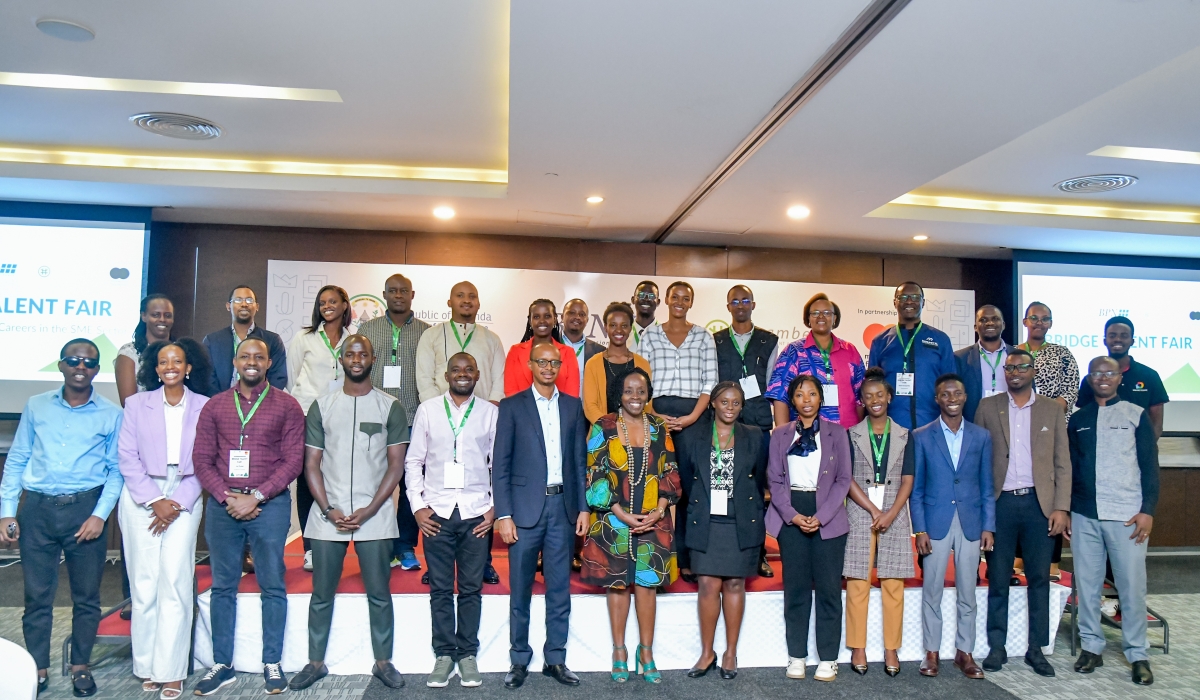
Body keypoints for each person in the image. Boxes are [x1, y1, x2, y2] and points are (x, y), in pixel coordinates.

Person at [0, 339, 123, 698]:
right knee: (37, 596)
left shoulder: (112, 414)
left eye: (88, 362)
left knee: (87, 597)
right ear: (61, 365)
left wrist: (100, 515)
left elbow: (116, 472)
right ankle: (37, 667)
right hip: (36, 511)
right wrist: (7, 512)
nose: (80, 366)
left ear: (97, 370)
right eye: (73, 360)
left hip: (86, 511)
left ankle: (80, 666)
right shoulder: (36, 406)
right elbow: (18, 459)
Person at [288, 335, 408, 691]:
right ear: (341, 360)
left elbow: (396, 466)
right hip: (329, 514)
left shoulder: (391, 407)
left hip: (376, 514)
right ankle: (315, 662)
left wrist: (371, 508)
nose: (356, 359)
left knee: (379, 593)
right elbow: (311, 464)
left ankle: (383, 662)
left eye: (363, 353)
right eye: (350, 354)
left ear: (373, 358)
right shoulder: (321, 406)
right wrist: (328, 508)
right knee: (321, 593)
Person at [191, 337, 305, 696]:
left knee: (272, 584)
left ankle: (272, 661)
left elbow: (293, 461)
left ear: (269, 363)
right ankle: (221, 664)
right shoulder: (215, 406)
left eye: (259, 357)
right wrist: (228, 497)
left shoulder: (288, 406)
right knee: (223, 586)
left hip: (268, 506)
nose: (252, 362)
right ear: (236, 362)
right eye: (245, 356)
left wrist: (255, 496)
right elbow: (202, 459)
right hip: (224, 507)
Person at [117, 339, 212, 699]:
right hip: (141, 494)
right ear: (154, 369)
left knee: (174, 579)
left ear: (188, 368)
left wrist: (175, 502)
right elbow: (127, 457)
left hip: (186, 492)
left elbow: (206, 459)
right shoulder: (136, 404)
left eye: (177, 361)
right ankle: (146, 665)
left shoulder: (205, 407)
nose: (170, 366)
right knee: (144, 583)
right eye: (162, 361)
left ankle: (171, 670)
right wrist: (155, 500)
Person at [493, 343, 590, 689]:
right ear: (531, 365)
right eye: (542, 362)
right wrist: (503, 513)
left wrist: (583, 507)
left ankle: (556, 658)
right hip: (522, 512)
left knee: (559, 589)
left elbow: (580, 461)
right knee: (520, 589)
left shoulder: (573, 407)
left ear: (560, 366)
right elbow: (500, 465)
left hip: (562, 509)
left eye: (554, 362)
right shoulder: (511, 406)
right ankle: (519, 659)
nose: (548, 367)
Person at [974, 349, 1070, 677]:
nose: (1015, 372)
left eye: (1022, 367)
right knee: (998, 577)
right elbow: (977, 460)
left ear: (1033, 371)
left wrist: (1061, 507)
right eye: (1010, 368)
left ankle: (1036, 649)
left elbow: (1062, 461)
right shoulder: (988, 407)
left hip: (1038, 506)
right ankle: (996, 647)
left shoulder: (1051, 410)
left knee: (1039, 578)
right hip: (1000, 504)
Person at [581, 367, 681, 684]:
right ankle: (620, 651)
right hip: (613, 520)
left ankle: (646, 652)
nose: (635, 396)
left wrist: (660, 509)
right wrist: (621, 514)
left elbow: (670, 471)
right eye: (628, 391)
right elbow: (595, 474)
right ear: (618, 395)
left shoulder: (659, 427)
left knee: (647, 586)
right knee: (618, 585)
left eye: (640, 391)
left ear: (648, 394)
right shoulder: (604, 426)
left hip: (654, 518)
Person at [406, 352, 499, 688]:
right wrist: (418, 507)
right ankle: (444, 654)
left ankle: (468, 654)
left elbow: (497, 465)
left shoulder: (490, 413)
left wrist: (493, 508)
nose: (462, 374)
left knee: (472, 588)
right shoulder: (428, 410)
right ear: (446, 375)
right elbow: (413, 461)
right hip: (437, 514)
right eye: (456, 370)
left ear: (477, 375)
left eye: (468, 369)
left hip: (476, 513)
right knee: (442, 589)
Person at [1069, 356, 1158, 686]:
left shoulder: (1136, 415)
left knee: (1132, 588)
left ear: (1120, 377)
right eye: (1096, 373)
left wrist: (1148, 509)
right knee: (1088, 587)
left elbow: (1149, 466)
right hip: (1084, 514)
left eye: (1109, 373)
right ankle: (1092, 646)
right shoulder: (1078, 419)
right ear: (1089, 379)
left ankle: (1138, 653)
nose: (1102, 378)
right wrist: (1067, 510)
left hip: (1127, 517)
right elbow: (1071, 468)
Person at [676, 381, 766, 680]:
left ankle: (729, 651)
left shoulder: (754, 436)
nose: (730, 407)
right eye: (724, 401)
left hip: (740, 521)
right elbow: (688, 482)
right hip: (706, 520)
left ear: (742, 407)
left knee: (735, 585)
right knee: (707, 585)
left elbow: (758, 478)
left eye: (736, 403)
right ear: (713, 403)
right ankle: (707, 652)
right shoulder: (693, 436)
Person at [766, 375, 851, 683]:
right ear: (792, 399)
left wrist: (822, 515)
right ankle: (797, 656)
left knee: (829, 590)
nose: (806, 399)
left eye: (812, 394)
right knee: (796, 590)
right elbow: (774, 481)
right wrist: (792, 514)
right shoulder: (780, 435)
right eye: (800, 394)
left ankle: (828, 658)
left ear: (820, 398)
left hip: (828, 515)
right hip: (792, 513)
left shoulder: (837, 433)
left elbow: (844, 480)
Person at [911, 373, 995, 680]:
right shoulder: (921, 436)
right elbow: (917, 489)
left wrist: (989, 526)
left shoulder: (981, 436)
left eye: (957, 393)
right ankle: (931, 652)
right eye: (945, 395)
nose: (952, 399)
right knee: (931, 590)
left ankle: (965, 652)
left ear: (965, 396)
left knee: (967, 591)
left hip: (971, 521)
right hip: (935, 523)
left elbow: (987, 485)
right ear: (937, 399)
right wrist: (919, 529)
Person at [639, 281, 718, 582]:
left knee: (689, 489)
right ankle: (653, 553)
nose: (680, 302)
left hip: (694, 418)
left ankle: (686, 557)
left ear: (691, 302)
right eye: (675, 297)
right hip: (655, 413)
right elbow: (642, 380)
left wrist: (690, 418)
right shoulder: (650, 335)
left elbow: (709, 383)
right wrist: (655, 415)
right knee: (656, 485)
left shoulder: (703, 336)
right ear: (666, 300)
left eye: (686, 298)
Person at [843, 367, 914, 677]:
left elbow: (908, 481)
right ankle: (858, 646)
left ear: (889, 397)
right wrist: (873, 510)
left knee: (893, 583)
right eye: (868, 396)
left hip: (895, 513)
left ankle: (891, 648)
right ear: (861, 400)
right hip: (861, 511)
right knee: (858, 581)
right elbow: (846, 478)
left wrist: (889, 512)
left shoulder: (905, 435)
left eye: (880, 395)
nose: (875, 400)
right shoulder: (850, 435)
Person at [358, 273, 430, 574]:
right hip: (373, 421)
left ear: (412, 294)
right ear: (384, 295)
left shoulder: (427, 333)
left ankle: (404, 547)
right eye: (392, 291)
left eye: (404, 291)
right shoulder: (367, 329)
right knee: (374, 485)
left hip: (413, 419)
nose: (398, 295)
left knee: (409, 486)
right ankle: (379, 545)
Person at [286, 285, 357, 571]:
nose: (327, 306)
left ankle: (331, 540)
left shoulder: (353, 339)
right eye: (322, 302)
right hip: (307, 415)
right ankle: (310, 547)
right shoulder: (304, 338)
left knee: (334, 479)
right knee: (307, 481)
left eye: (333, 301)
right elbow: (292, 378)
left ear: (344, 305)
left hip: (340, 416)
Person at [1018, 301, 1079, 580]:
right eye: (1034, 317)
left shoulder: (1063, 354)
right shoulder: (1013, 353)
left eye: (1045, 319)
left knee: (1049, 496)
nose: (1039, 322)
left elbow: (1070, 391)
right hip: (1017, 434)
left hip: (1052, 434)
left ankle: (1051, 565)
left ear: (1051, 324)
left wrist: (1045, 417)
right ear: (1025, 321)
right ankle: (1017, 561)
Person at [768, 293, 865, 429]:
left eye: (826, 312)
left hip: (848, 433)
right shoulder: (794, 351)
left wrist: (860, 433)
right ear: (808, 318)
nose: (821, 316)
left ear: (834, 318)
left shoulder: (850, 350)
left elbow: (861, 396)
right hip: (807, 436)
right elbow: (779, 395)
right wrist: (783, 437)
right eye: (815, 313)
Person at [868, 282, 957, 430]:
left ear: (923, 302)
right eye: (903, 297)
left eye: (915, 297)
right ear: (895, 302)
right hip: (892, 426)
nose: (909, 301)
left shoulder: (940, 339)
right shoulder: (880, 341)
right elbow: (872, 387)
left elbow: (950, 384)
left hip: (932, 424)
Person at [415, 281, 506, 405]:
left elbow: (499, 381)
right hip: (440, 412)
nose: (467, 300)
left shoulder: (493, 339)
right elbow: (424, 378)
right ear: (449, 302)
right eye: (460, 295)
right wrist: (437, 408)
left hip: (482, 413)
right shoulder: (431, 335)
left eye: (472, 296)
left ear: (478, 304)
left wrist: (489, 410)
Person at [1076, 316, 1168, 438]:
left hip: (1137, 451)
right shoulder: (1093, 378)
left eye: (1124, 336)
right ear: (1105, 340)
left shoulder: (1149, 375)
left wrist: (1147, 449)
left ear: (1132, 341)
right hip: (1099, 448)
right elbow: (1084, 419)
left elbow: (1156, 423)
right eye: (1112, 335)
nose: (1117, 339)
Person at [201, 285, 288, 394]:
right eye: (238, 300)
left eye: (249, 300)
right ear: (228, 306)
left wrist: (259, 401)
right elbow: (207, 378)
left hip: (261, 406)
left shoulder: (272, 340)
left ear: (257, 306)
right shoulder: (212, 341)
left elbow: (278, 377)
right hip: (221, 406)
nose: (244, 304)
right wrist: (222, 402)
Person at [582, 302, 651, 424]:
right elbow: (590, 407)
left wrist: (631, 429)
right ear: (605, 327)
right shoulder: (593, 364)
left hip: (636, 435)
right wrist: (612, 428)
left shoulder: (642, 363)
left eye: (624, 325)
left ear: (630, 327)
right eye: (613, 325)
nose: (618, 330)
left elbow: (647, 404)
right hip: (603, 435)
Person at [504, 299, 581, 397]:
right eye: (536, 317)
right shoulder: (515, 351)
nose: (542, 321)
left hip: (559, 411)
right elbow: (510, 393)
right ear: (530, 320)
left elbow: (572, 396)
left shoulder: (568, 353)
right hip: (521, 411)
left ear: (555, 319)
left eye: (547, 316)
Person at [955, 305, 1014, 422]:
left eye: (995, 319)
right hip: (974, 423)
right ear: (975, 327)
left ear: (1003, 325)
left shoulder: (1018, 356)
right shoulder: (960, 358)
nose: (989, 323)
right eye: (983, 320)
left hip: (1011, 423)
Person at [116, 293, 176, 405]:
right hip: (142, 419)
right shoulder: (129, 353)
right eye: (156, 315)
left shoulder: (182, 351)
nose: (162, 319)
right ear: (144, 316)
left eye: (168, 316)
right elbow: (128, 403)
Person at [561, 298, 605, 396]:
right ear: (562, 317)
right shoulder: (549, 346)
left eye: (582, 314)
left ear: (587, 320)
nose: (577, 317)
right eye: (571, 313)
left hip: (584, 409)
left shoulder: (599, 351)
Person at [627, 280, 660, 356]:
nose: (646, 299)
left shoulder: (665, 334)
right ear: (633, 300)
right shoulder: (624, 333)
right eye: (641, 295)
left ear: (658, 302)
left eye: (651, 296)